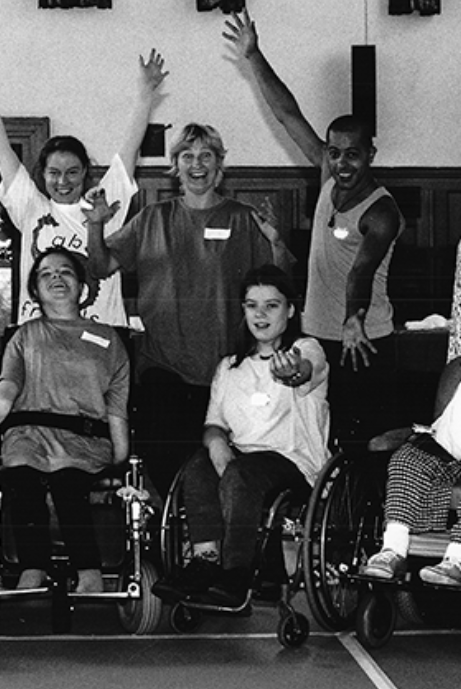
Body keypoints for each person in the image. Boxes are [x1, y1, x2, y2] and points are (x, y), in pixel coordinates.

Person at [223, 9, 404, 455]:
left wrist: (354, 319)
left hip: (364, 341)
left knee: (371, 442)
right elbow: (287, 113)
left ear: (371, 154)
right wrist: (253, 56)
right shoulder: (328, 175)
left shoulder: (380, 211)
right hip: (317, 335)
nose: (342, 164)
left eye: (353, 155)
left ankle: (380, 522)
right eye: (334, 153)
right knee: (325, 437)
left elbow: (360, 272)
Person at [86, 123, 290, 497]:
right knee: (167, 472)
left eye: (206, 156)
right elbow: (101, 267)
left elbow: (282, 283)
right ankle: (174, 548)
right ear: (175, 166)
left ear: (219, 165)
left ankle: (213, 549)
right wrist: (95, 226)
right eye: (187, 156)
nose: (197, 165)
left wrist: (276, 242)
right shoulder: (152, 218)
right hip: (164, 369)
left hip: (227, 371)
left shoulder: (243, 218)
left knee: (220, 473)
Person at [154, 265, 330, 607]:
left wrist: (293, 372)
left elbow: (305, 369)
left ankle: (237, 572)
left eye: (271, 305)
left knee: (240, 473)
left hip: (293, 463)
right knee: (197, 466)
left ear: (290, 310)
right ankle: (205, 562)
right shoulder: (229, 366)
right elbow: (213, 423)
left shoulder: (307, 348)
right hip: (241, 459)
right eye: (252, 305)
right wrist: (216, 442)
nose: (260, 314)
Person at [0, 52, 167, 326]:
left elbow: (131, 147)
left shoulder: (105, 206)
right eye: (54, 174)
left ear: (85, 172)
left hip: (100, 336)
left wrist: (146, 93)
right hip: (42, 338)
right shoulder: (31, 207)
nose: (63, 182)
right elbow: (0, 148)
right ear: (42, 175)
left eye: (72, 173)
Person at [0, 247, 130, 593]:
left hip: (84, 439)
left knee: (68, 482)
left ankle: (89, 571)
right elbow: (9, 385)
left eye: (65, 271)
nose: (56, 277)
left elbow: (116, 405)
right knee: (22, 479)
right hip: (28, 435)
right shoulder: (24, 336)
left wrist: (122, 456)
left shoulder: (109, 339)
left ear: (82, 286)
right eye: (45, 273)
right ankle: (32, 567)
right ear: (34, 290)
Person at [361, 356, 461, 587]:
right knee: (407, 458)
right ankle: (393, 551)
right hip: (450, 455)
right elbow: (440, 427)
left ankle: (456, 560)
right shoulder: (456, 370)